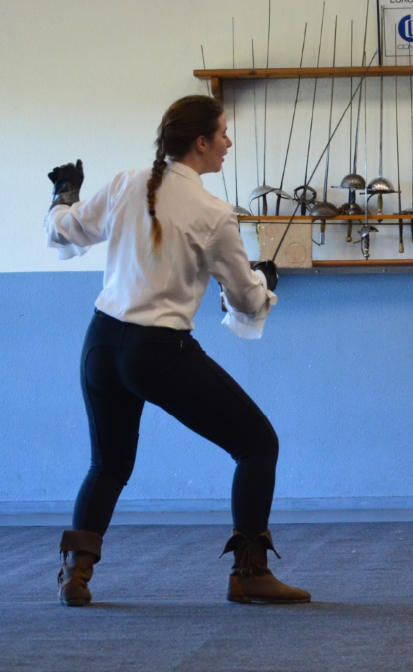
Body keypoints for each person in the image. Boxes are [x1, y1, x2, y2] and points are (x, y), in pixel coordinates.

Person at [44, 94, 310, 606]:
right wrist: (265, 283)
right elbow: (244, 300)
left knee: (108, 464)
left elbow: (65, 228)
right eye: (223, 133)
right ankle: (249, 574)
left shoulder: (125, 183)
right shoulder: (214, 213)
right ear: (201, 142)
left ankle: (75, 574)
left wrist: (63, 192)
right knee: (257, 444)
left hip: (101, 343)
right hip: (157, 351)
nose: (229, 142)